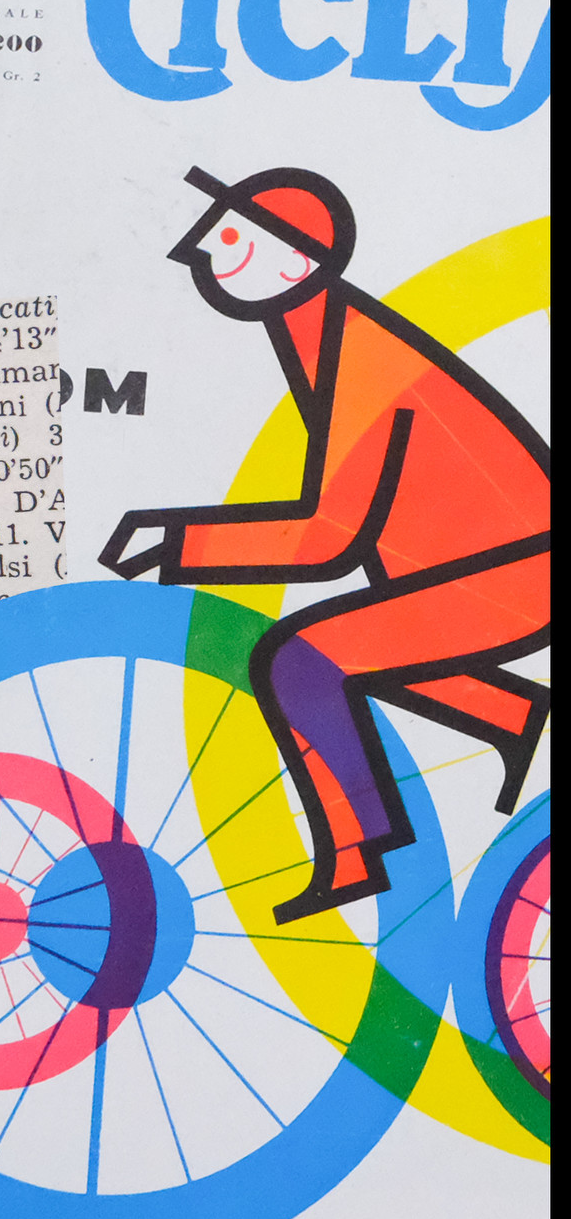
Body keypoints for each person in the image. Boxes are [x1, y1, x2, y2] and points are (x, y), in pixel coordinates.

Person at [103, 166, 550, 925]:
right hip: (477, 569)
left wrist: (181, 541)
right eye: (215, 239)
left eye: (236, 237)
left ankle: (357, 856)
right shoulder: (320, 329)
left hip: (517, 574)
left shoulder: (361, 352)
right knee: (356, 639)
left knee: (300, 658)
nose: (213, 254)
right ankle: (516, 722)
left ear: (297, 259)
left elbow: (327, 541)